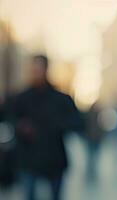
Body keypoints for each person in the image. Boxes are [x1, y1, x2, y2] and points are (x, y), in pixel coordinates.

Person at [11, 55, 84, 200]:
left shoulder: (61, 99)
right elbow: (11, 119)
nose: (35, 72)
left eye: (38, 68)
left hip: (54, 159)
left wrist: (57, 125)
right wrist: (21, 126)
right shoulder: (21, 98)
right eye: (33, 69)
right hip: (28, 158)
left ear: (45, 69)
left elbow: (78, 123)